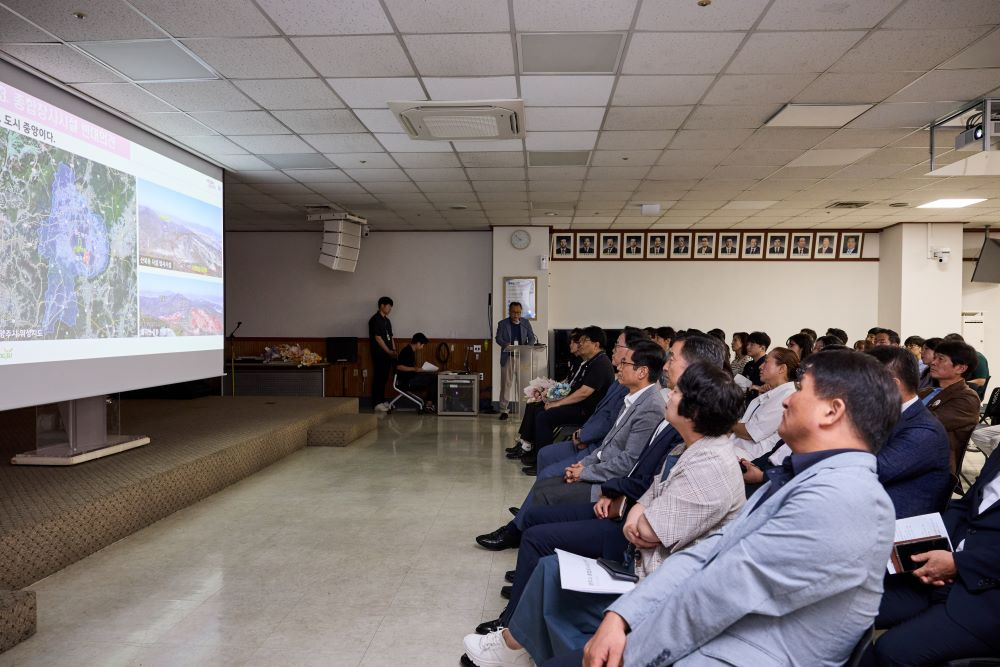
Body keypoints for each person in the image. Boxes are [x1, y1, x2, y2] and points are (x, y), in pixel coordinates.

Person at [579, 350, 899, 667]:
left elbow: (718, 593)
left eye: (801, 390)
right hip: (718, 634)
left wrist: (631, 653)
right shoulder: (809, 479)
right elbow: (711, 553)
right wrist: (623, 614)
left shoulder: (842, 499)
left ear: (832, 411)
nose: (786, 400)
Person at [463, 361, 747, 667]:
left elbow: (648, 531)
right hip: (640, 554)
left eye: (677, 392)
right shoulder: (688, 449)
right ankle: (515, 643)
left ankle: (517, 646)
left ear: (695, 411)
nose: (669, 396)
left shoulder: (710, 467)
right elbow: (648, 495)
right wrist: (638, 510)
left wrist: (638, 513)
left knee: (552, 565)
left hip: (655, 580)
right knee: (550, 567)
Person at [475, 340, 665, 551]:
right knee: (544, 481)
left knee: (546, 490)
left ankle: (521, 536)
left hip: (611, 484)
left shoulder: (650, 407)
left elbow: (627, 461)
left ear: (642, 372)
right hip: (599, 465)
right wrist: (583, 465)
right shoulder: (633, 397)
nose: (619, 367)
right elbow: (609, 443)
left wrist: (585, 472)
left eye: (625, 363)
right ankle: (521, 532)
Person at [861, 447, 1000, 666]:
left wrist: (958, 564)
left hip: (988, 597)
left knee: (892, 651)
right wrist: (929, 541)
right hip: (946, 571)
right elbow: (966, 506)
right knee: (850, 609)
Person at [866, 346, 952, 518]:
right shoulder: (883, 414)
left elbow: (870, 472)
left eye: (862, 381)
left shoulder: (924, 430)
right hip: (873, 506)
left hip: (899, 526)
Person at [919, 339, 981, 473]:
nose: (933, 362)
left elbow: (925, 424)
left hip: (932, 466)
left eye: (941, 359)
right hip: (911, 454)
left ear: (960, 368)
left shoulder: (967, 398)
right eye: (934, 358)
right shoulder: (927, 391)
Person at [732, 346, 799, 460]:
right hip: (739, 448)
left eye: (766, 362)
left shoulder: (786, 397)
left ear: (782, 369)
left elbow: (749, 433)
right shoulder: (775, 393)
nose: (760, 366)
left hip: (750, 457)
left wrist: (724, 422)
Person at [495, 302, 537, 420]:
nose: (516, 315)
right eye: (514, 312)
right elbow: (498, 338)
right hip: (508, 357)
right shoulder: (502, 324)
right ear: (509, 311)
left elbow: (532, 338)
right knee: (506, 384)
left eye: (518, 312)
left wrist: (527, 347)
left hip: (522, 357)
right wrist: (505, 344)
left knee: (523, 385)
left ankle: (525, 409)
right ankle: (504, 410)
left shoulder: (525, 323)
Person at [394, 333, 436, 411]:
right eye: (422, 345)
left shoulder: (410, 351)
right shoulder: (407, 351)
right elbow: (399, 367)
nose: (422, 347)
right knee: (433, 379)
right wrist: (415, 369)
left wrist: (418, 370)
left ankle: (429, 403)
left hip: (410, 378)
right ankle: (429, 404)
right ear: (418, 343)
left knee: (432, 376)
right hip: (406, 381)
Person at [944, 333, 990, 400]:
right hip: (958, 390)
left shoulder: (978, 358)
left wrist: (955, 384)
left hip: (971, 393)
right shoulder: (957, 358)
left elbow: (981, 381)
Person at [369, 296, 395, 411]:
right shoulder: (374, 319)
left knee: (384, 377)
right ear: (382, 306)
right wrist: (388, 350)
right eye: (388, 306)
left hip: (388, 354)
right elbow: (378, 338)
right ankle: (376, 403)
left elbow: (391, 337)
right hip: (379, 353)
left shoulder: (387, 321)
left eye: (391, 307)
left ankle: (382, 400)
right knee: (378, 377)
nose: (390, 309)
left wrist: (393, 350)